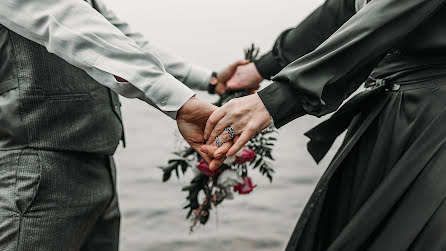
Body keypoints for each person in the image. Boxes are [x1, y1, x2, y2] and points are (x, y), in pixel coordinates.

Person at [0, 0, 246, 249]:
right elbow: (69, 23)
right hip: (34, 172)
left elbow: (123, 40)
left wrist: (210, 80)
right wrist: (181, 103)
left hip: (101, 164)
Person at [204, 0, 446, 250]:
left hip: (434, 118)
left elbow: (386, 14)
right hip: (389, 117)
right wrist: (260, 68)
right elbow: (343, 10)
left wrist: (280, 97)